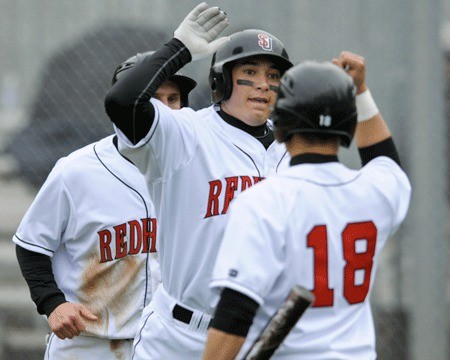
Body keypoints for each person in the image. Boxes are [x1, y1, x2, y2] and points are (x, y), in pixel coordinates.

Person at [104, 3, 293, 359]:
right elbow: (122, 101)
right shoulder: (185, 132)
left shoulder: (292, 149)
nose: (263, 85)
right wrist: (179, 48)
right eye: (249, 71)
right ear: (221, 80)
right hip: (179, 335)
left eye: (273, 75)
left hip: (259, 338)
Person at [202, 52, 412, 360]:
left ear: (281, 125)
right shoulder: (376, 191)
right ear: (349, 124)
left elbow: (235, 315)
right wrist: (360, 91)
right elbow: (384, 160)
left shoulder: (264, 201)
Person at [13, 59, 196, 360]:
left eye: (173, 99)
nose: (165, 110)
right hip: (88, 344)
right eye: (152, 98)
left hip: (165, 343)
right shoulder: (77, 171)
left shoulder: (194, 169)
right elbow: (31, 244)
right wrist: (53, 303)